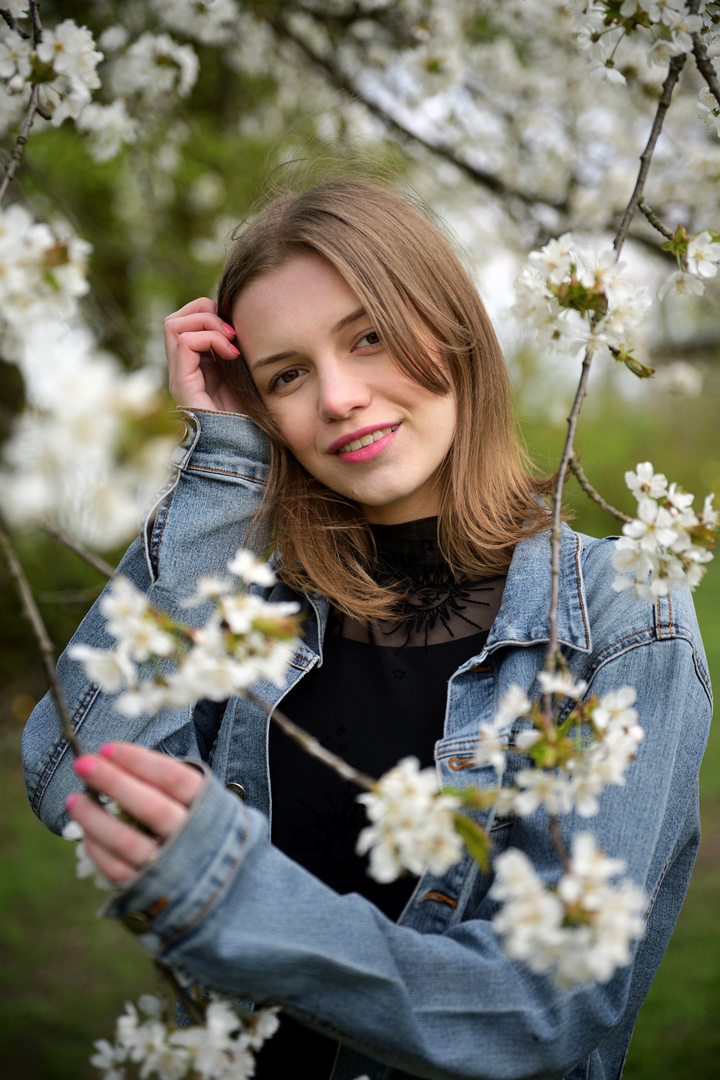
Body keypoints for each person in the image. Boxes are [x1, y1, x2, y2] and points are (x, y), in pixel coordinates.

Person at [22, 177, 712, 1080]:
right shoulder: (254, 605)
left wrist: (241, 900)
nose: (339, 398)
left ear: (451, 330)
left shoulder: (622, 615)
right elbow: (77, 766)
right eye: (287, 376)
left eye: (369, 337)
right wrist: (220, 469)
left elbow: (546, 1008)